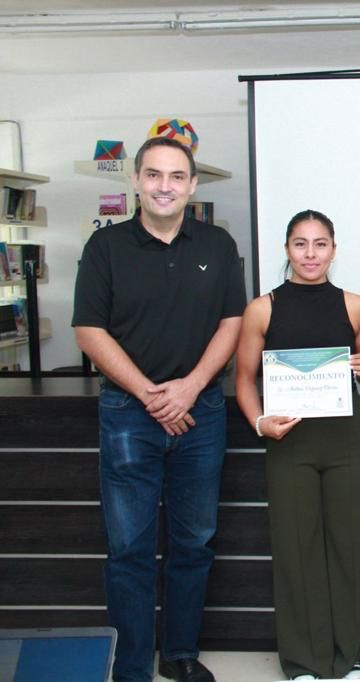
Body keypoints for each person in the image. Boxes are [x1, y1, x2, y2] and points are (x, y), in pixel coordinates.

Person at [72, 137, 245, 682]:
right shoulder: (105, 248)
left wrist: (191, 387)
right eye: (153, 175)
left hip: (203, 412)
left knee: (194, 541)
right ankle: (129, 669)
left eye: (176, 176)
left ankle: (179, 656)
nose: (164, 186)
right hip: (129, 413)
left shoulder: (217, 245)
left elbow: (232, 323)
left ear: (193, 185)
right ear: (136, 181)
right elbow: (87, 330)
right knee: (129, 548)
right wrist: (151, 394)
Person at [234, 210, 360, 681]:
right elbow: (243, 381)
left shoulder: (355, 306)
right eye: (301, 244)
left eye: (320, 244)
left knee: (350, 547)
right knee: (297, 549)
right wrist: (259, 423)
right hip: (289, 440)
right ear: (287, 249)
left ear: (334, 250)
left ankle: (351, 658)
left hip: (345, 439)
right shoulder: (262, 309)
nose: (310, 254)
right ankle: (303, 662)